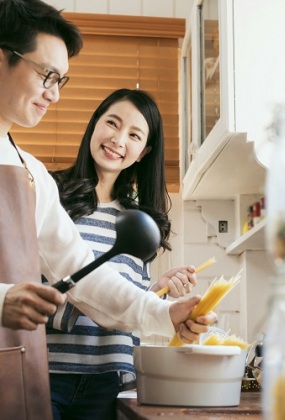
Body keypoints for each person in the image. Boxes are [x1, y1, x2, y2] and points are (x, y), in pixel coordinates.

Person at [0, 1, 216, 419]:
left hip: (17, 377)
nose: (55, 93)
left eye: (61, 80)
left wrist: (164, 312)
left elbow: (85, 273)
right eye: (46, 75)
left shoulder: (31, 173)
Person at [45, 88, 195, 419]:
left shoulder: (139, 221)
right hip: (47, 372)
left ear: (144, 152)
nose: (118, 139)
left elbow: (126, 305)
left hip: (110, 379)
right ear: (94, 124)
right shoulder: (48, 195)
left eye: (134, 135)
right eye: (112, 123)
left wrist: (157, 293)